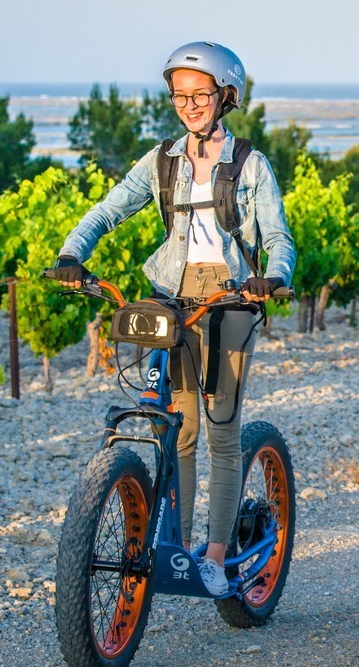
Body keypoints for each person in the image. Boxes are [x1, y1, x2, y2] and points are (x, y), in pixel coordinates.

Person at [48, 41, 296, 597]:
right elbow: (109, 208)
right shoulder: (161, 160)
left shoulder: (250, 164)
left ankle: (212, 557)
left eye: (200, 94)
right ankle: (177, 547)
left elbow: (278, 236)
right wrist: (72, 253)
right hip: (174, 294)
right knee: (176, 427)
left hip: (233, 296)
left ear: (225, 96)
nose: (189, 104)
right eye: (180, 95)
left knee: (221, 428)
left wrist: (272, 277)